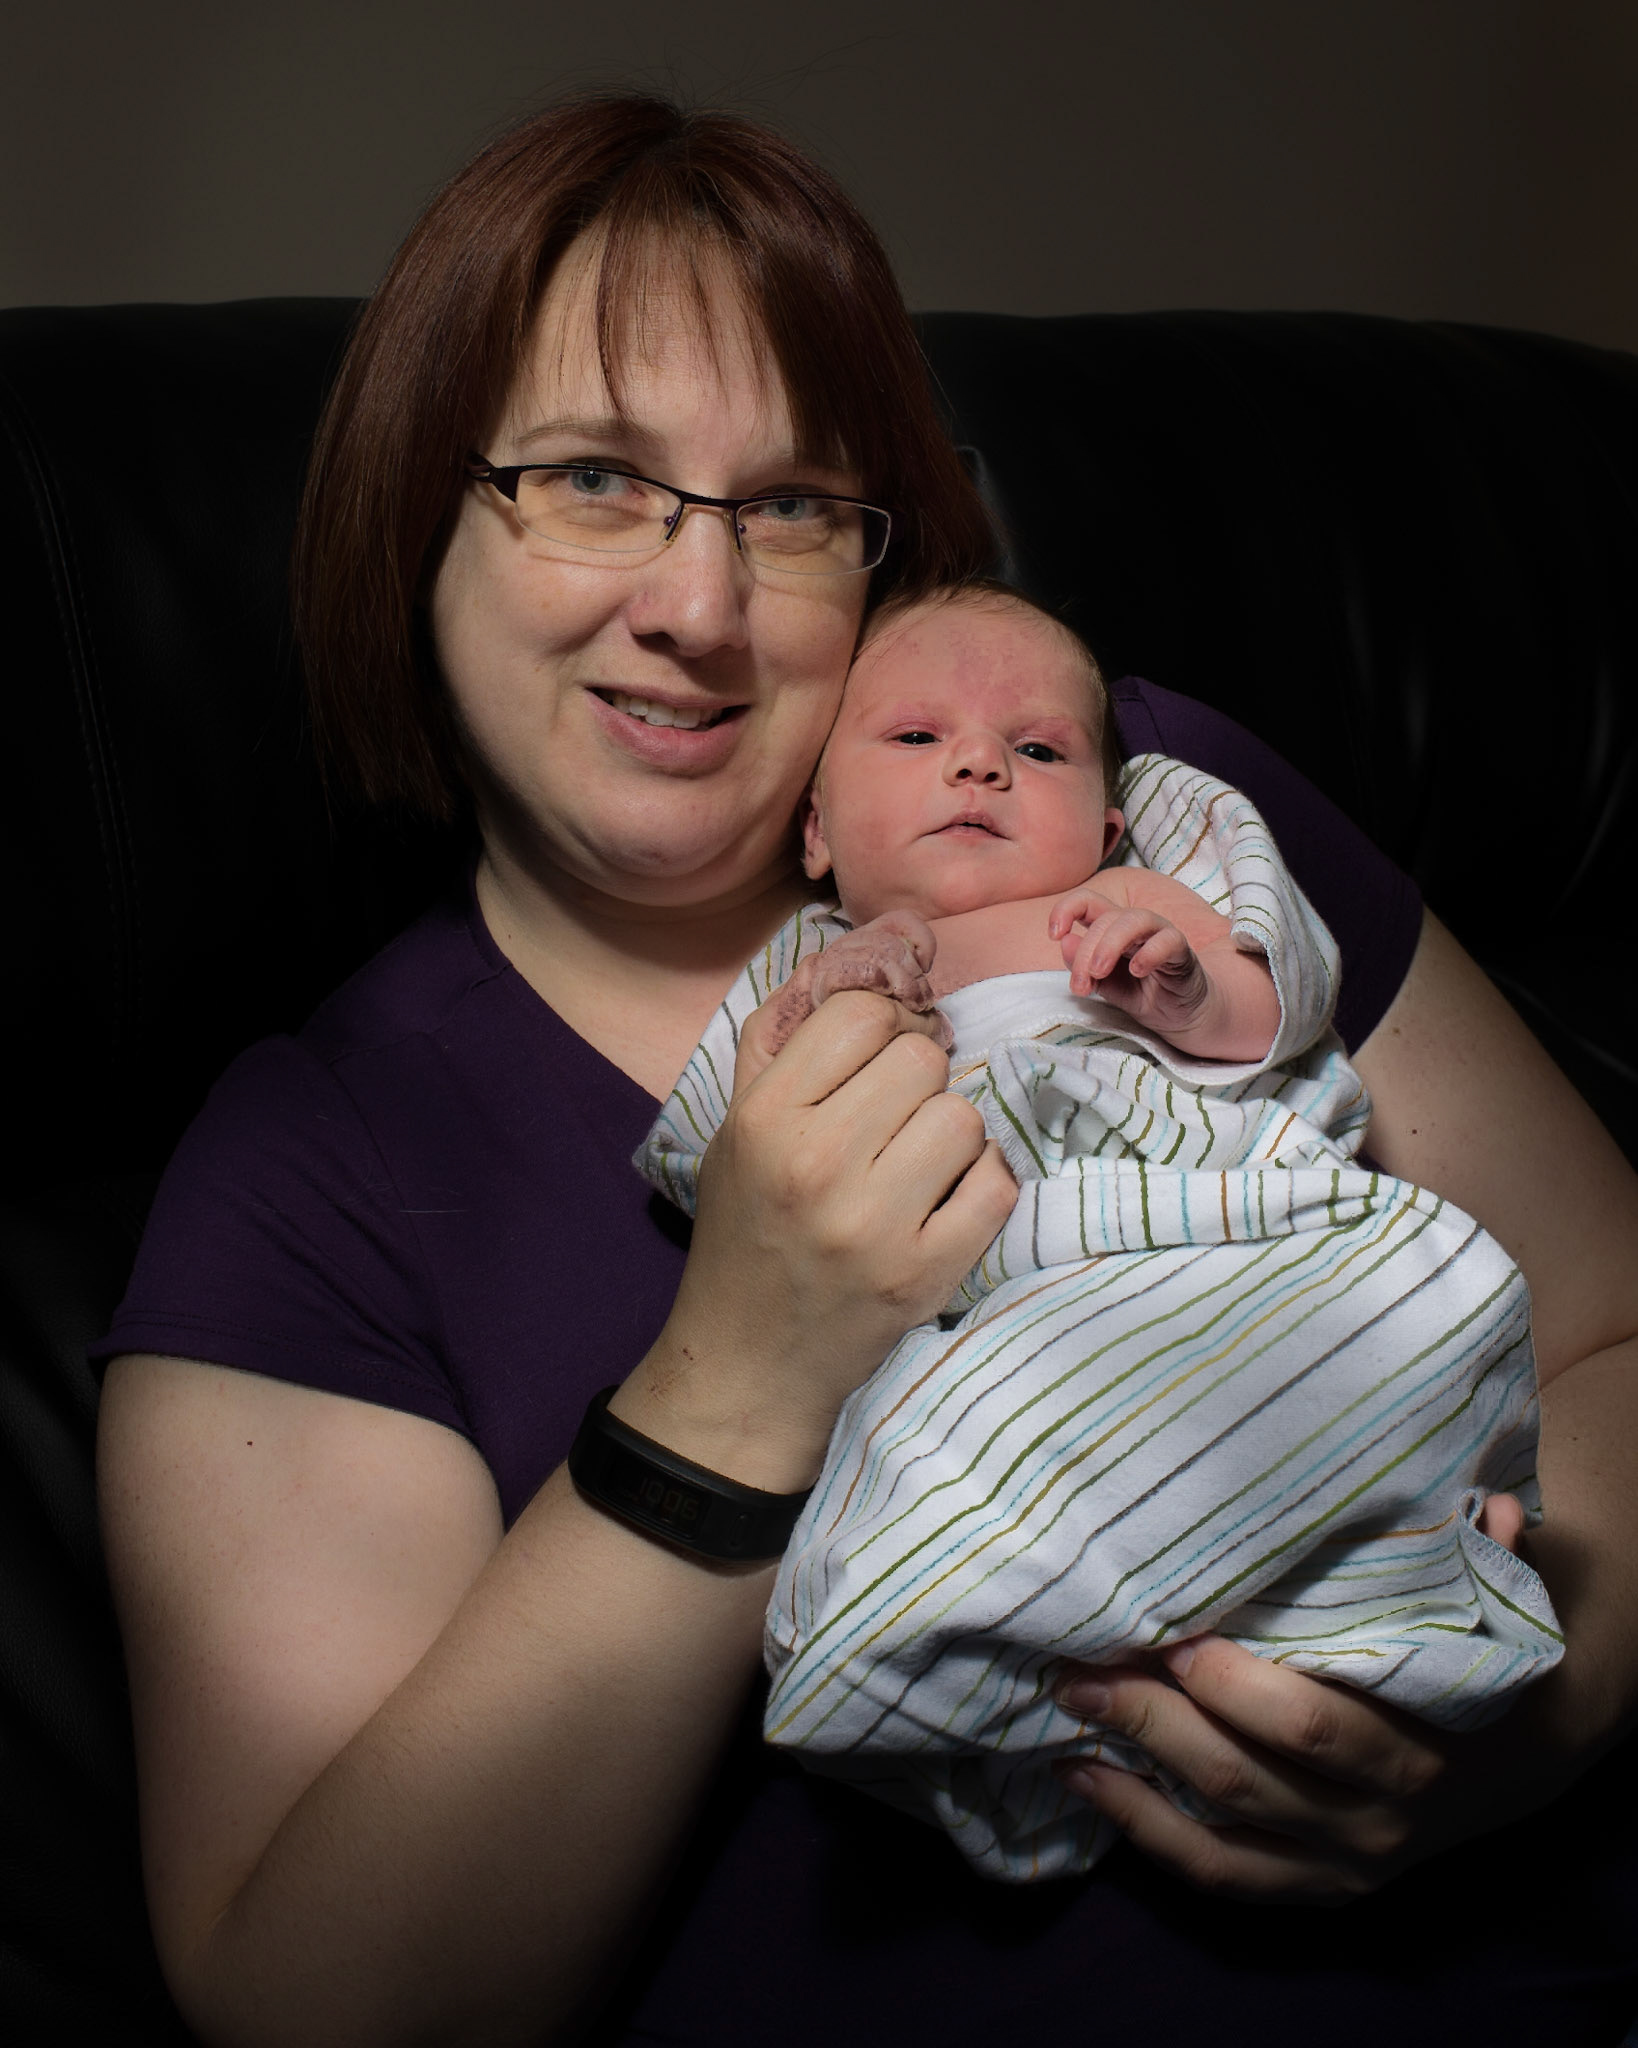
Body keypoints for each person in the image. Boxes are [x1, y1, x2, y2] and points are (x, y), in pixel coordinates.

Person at [90, 91, 1638, 2048]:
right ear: (418, 524)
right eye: (591, 477)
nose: (699, 607)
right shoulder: (315, 1170)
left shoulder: (1149, 815)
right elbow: (317, 2003)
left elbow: (1615, 1326)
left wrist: (1535, 1721)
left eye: (794, 508)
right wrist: (736, 1380)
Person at [637, 582, 1559, 1882]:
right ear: (818, 831)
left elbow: (1274, 1014)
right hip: (1007, 1289)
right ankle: (966, 1656)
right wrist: (830, 1005)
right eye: (915, 737)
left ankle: (1346, 1606)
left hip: (1207, 1229)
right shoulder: (813, 961)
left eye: (1036, 749)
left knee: (1402, 1309)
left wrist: (1179, 980)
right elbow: (727, 1168)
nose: (977, 764)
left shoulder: (1136, 893)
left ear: (1108, 823)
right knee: (936, 1441)